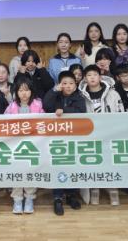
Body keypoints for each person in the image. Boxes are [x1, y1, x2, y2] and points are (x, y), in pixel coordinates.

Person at [79, 64, 123, 206]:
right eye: (89, 75)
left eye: (95, 75)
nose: (92, 78)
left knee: (110, 162)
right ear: (85, 79)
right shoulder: (81, 96)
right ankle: (95, 189)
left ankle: (113, 190)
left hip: (110, 133)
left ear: (100, 77)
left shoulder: (113, 94)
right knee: (94, 161)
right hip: (90, 135)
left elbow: (121, 113)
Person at [43, 71, 86, 216]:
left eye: (71, 83)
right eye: (64, 83)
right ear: (60, 84)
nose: (68, 86)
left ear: (76, 85)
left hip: (73, 138)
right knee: (57, 166)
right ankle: (57, 197)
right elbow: (46, 105)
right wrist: (54, 91)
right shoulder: (55, 95)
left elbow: (81, 111)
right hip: (56, 139)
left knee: (72, 166)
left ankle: (71, 195)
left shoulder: (79, 97)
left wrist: (64, 111)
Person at [4, 78, 44, 214]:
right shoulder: (11, 107)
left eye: (26, 90)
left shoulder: (38, 105)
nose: (24, 93)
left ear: (31, 91)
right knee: (17, 172)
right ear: (16, 92)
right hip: (16, 146)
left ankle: (29, 198)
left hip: (33, 145)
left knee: (30, 172)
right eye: (21, 90)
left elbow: (44, 123)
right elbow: (4, 123)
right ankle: (17, 199)